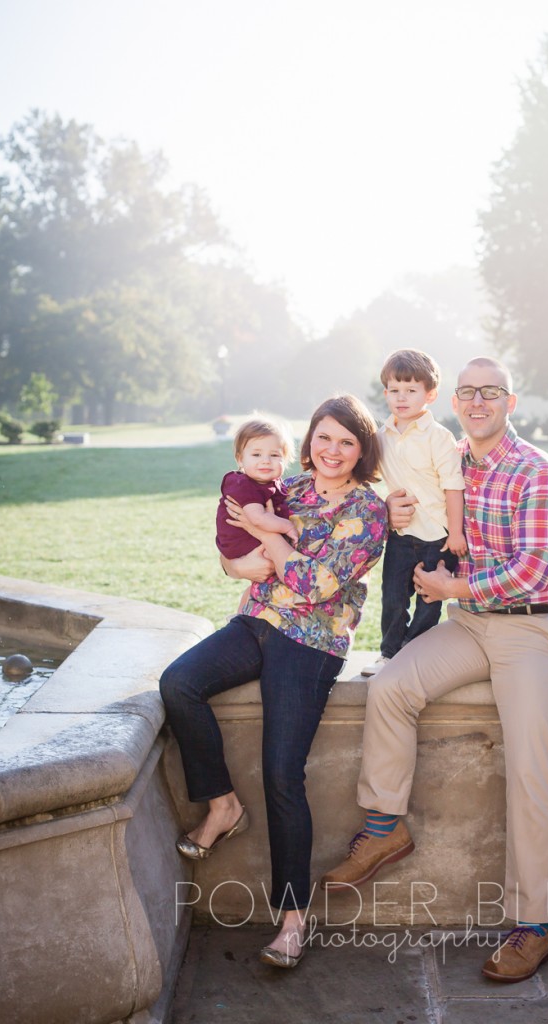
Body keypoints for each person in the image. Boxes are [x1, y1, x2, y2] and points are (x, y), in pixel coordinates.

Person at [321, 357, 548, 984]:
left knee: (530, 767)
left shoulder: (537, 472)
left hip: (530, 628)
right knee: (390, 687)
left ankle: (534, 925)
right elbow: (412, 507)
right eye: (468, 393)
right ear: (454, 402)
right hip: (469, 625)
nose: (478, 402)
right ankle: (384, 827)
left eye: (490, 393)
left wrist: (452, 586)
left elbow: (534, 569)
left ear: (510, 403)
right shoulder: (445, 453)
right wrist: (401, 514)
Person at [160, 395, 388, 969]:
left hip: (311, 642)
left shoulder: (368, 510)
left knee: (283, 773)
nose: (331, 451)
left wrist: (273, 538)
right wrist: (241, 558)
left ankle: (292, 919)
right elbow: (235, 544)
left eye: (346, 442)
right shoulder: (288, 489)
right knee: (179, 682)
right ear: (308, 440)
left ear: (362, 450)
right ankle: (222, 805)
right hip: (257, 620)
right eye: (324, 438)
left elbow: (315, 584)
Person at [362, 349, 466, 678]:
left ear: (430, 394)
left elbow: (453, 486)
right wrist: (385, 505)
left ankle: (414, 657)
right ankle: (389, 654)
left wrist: (456, 532)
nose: (402, 398)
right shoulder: (380, 438)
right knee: (393, 597)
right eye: (395, 390)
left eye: (411, 390)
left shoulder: (439, 437)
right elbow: (368, 482)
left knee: (428, 602)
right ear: (385, 394)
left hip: (438, 535)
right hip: (402, 535)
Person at [215, 417, 298, 560]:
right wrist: (288, 527)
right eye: (256, 454)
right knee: (274, 558)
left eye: (274, 455)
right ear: (240, 459)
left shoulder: (274, 483)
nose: (265, 460)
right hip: (240, 543)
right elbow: (258, 518)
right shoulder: (242, 485)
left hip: (255, 539)